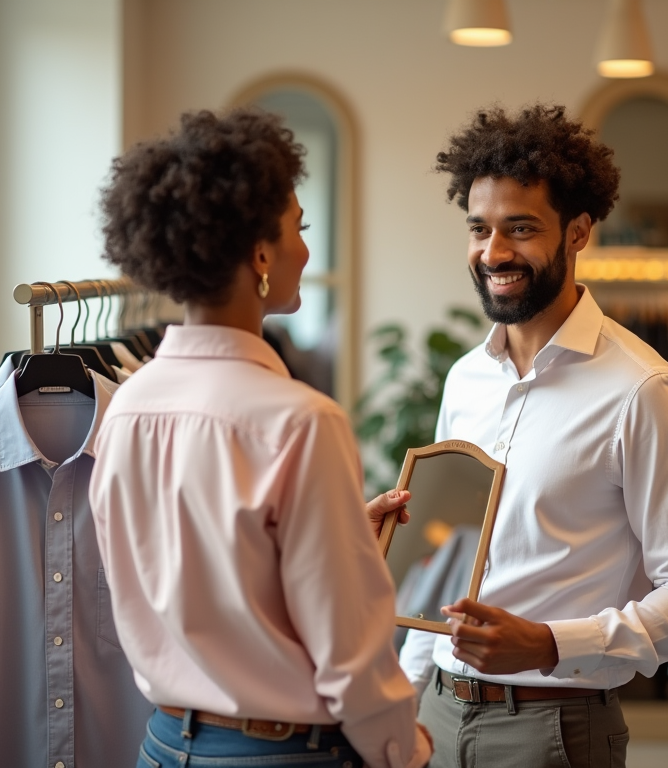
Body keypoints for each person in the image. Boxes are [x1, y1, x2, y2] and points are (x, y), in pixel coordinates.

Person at [89, 108, 432, 768]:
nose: (307, 247)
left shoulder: (127, 406)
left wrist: (332, 528)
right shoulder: (301, 421)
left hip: (163, 746)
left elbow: (181, 574)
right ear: (261, 253)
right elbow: (351, 660)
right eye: (299, 228)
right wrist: (405, 749)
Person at [398, 104, 668, 768]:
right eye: (479, 229)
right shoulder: (465, 380)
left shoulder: (644, 392)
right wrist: (405, 700)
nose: (492, 253)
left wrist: (553, 644)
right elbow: (443, 561)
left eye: (519, 229)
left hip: (552, 731)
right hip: (434, 714)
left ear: (578, 232)